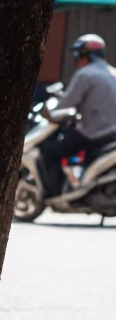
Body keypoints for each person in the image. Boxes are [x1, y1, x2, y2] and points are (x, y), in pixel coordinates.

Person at [40, 34, 116, 198]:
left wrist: (51, 114)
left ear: (83, 55)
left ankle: (52, 193)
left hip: (93, 132)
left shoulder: (85, 75)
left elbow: (65, 104)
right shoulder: (113, 73)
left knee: (49, 150)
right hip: (111, 133)